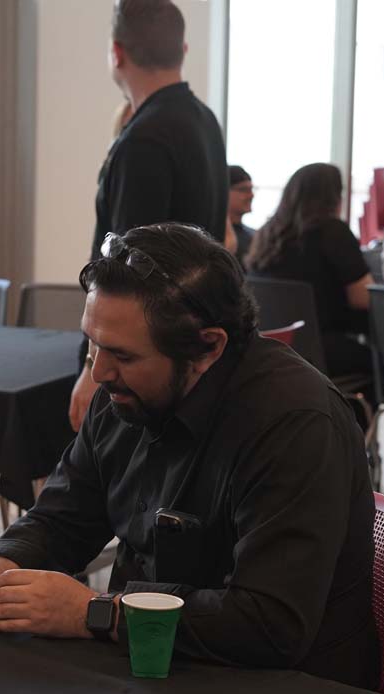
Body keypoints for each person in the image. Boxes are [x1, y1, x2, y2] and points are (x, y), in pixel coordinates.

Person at [0, 223, 379, 690]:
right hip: (156, 671)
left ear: (209, 347)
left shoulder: (293, 424)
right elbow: (62, 520)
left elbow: (268, 623)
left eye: (122, 355)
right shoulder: (123, 392)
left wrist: (97, 613)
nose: (99, 372)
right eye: (92, 345)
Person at [70, 0, 227, 431]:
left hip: (144, 362)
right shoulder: (204, 121)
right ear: (184, 49)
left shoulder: (144, 139)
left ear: (117, 53)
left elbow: (122, 270)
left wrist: (92, 366)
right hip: (187, 346)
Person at [246, 162, 373, 378]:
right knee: (381, 361)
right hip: (321, 349)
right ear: (333, 196)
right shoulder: (334, 231)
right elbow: (363, 298)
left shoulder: (266, 234)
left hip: (269, 348)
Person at [228, 165, 255, 261]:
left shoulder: (255, 235)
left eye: (251, 189)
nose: (251, 195)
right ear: (225, 191)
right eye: (244, 189)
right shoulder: (214, 237)